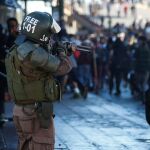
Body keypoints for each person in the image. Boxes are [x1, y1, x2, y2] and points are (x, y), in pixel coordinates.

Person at [5, 11, 73, 150]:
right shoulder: (34, 53)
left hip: (20, 109)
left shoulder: (18, 47)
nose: (51, 36)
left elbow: (36, 69)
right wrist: (62, 51)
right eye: (49, 33)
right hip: (35, 113)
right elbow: (64, 67)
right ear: (40, 32)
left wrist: (53, 49)